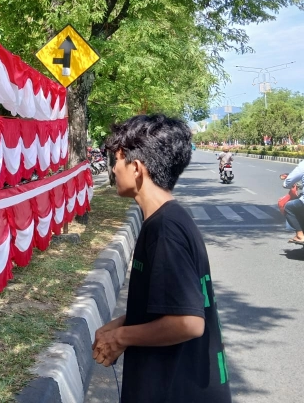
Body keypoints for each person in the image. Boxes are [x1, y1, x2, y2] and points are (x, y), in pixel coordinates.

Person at [93, 115, 231, 403]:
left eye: (116, 161)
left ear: (136, 167)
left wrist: (121, 338)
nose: (113, 170)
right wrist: (125, 322)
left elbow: (188, 322)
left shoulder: (165, 229)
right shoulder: (167, 219)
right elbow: (168, 306)